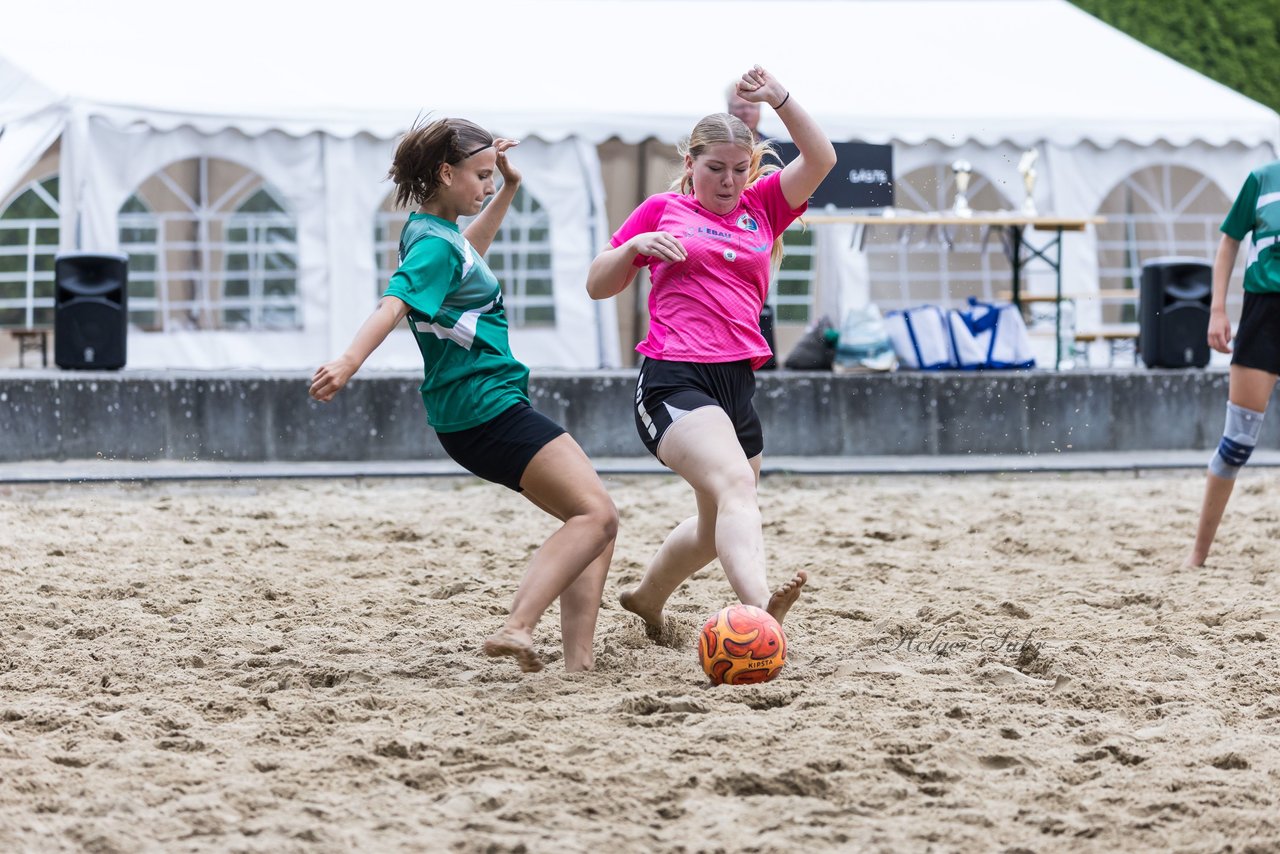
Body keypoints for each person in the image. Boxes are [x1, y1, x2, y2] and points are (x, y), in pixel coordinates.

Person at [310, 117, 618, 672]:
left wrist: (511, 189)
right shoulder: (430, 245)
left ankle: (579, 666)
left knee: (596, 521)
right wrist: (349, 361)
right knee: (594, 516)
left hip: (481, 408)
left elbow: (467, 256)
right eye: (480, 175)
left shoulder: (435, 233)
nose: (488, 185)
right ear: (445, 172)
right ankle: (517, 626)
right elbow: (394, 304)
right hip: (484, 408)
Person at [586, 66, 836, 638]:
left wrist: (781, 99)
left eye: (738, 169)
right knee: (736, 489)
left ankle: (646, 599)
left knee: (714, 520)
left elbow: (821, 160)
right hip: (674, 379)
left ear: (752, 169)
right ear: (690, 165)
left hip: (736, 383)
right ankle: (761, 607)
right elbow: (597, 284)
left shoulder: (764, 207)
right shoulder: (660, 210)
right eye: (714, 169)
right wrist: (634, 249)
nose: (726, 181)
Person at [1186, 158, 1280, 567]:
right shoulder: (1262, 179)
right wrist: (1217, 310)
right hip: (1263, 316)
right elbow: (1229, 240)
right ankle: (1198, 555)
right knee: (1236, 443)